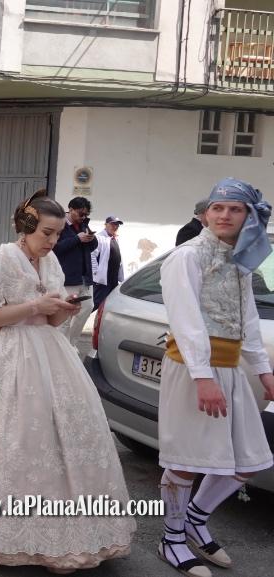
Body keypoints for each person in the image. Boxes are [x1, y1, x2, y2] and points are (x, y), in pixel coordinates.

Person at [0, 190, 135, 572]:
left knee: (59, 437)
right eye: (47, 233)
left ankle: (63, 532)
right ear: (27, 227)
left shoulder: (51, 263)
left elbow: (50, 320)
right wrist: (36, 306)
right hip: (0, 354)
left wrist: (62, 310)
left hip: (49, 354)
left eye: (57, 234)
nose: (53, 241)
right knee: (5, 438)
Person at [155, 178, 274, 577]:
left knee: (249, 461)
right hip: (194, 372)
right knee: (188, 461)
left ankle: (194, 517)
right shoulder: (188, 256)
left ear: (248, 217)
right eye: (218, 208)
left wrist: (263, 369)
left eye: (235, 209)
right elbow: (186, 320)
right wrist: (201, 376)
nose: (225, 215)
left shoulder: (238, 259)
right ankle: (171, 537)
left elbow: (249, 319)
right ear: (206, 213)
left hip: (230, 369)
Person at [52, 195, 98, 345]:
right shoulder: (60, 225)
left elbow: (93, 247)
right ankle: (61, 346)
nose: (83, 217)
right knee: (66, 313)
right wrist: (77, 239)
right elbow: (55, 248)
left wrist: (91, 238)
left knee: (88, 307)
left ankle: (70, 343)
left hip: (85, 277)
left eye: (86, 215)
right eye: (80, 213)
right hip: (68, 278)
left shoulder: (84, 224)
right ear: (70, 209)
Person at [90, 216, 125, 311]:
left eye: (117, 225)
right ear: (106, 225)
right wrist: (95, 273)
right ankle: (79, 322)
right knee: (96, 304)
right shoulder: (99, 237)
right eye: (113, 224)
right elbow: (92, 255)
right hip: (102, 280)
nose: (115, 226)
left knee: (108, 304)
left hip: (113, 279)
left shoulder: (115, 238)